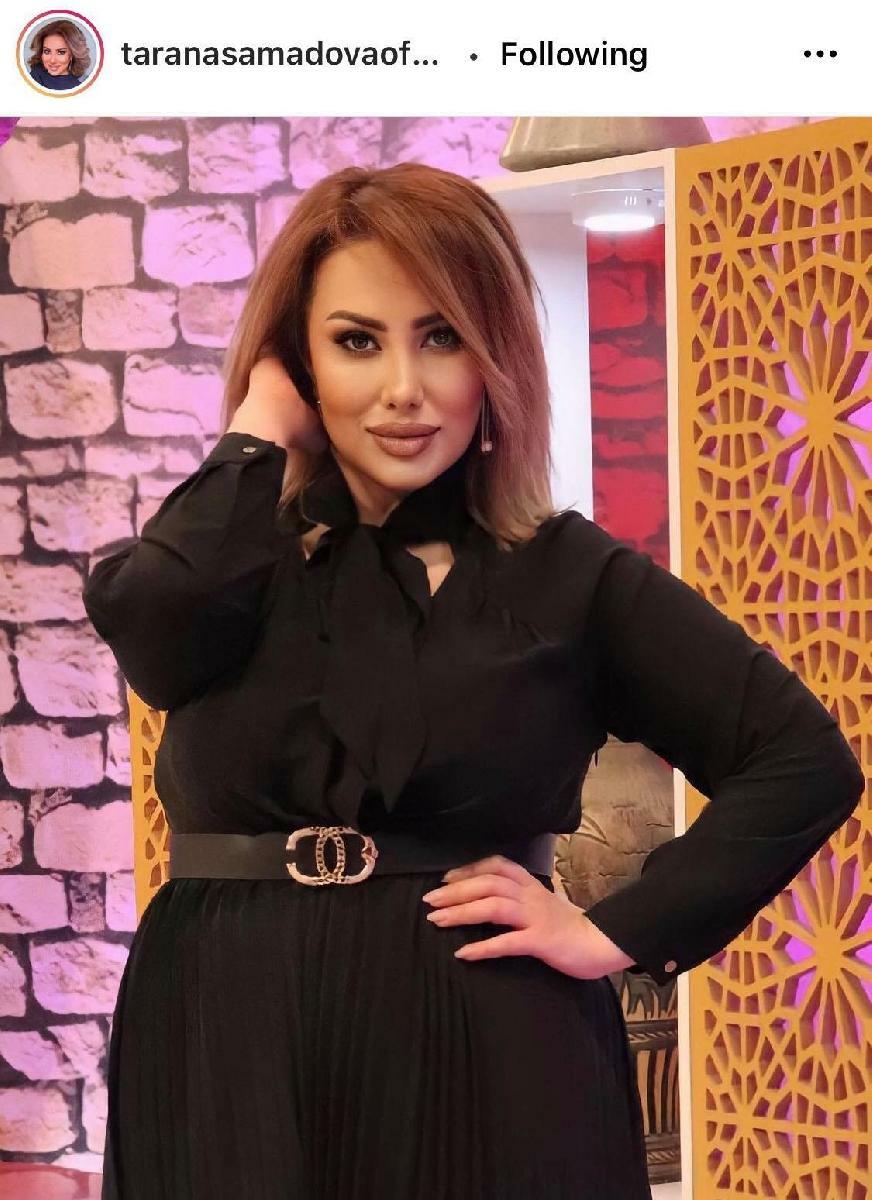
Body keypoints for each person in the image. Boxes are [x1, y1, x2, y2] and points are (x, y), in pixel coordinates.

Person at [82, 162, 864, 1200]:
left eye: (442, 336)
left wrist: (610, 931)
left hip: (487, 1041)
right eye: (356, 341)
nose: (403, 387)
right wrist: (258, 427)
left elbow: (800, 760)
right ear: (298, 361)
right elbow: (154, 634)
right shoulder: (228, 565)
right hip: (226, 1038)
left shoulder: (566, 574)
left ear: (495, 355)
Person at [26, 21, 89, 91]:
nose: (52, 60)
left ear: (73, 54)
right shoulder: (36, 74)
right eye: (47, 51)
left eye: (61, 52)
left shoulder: (84, 83)